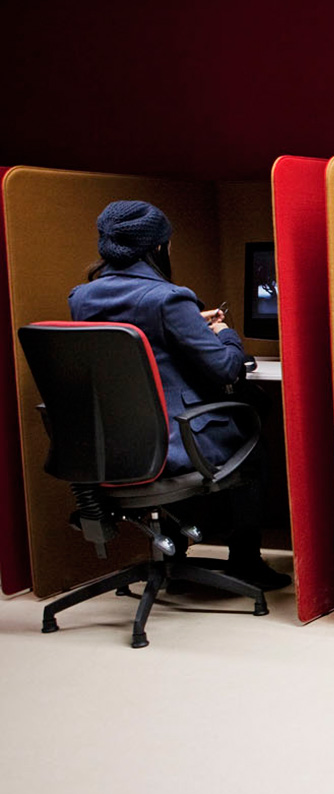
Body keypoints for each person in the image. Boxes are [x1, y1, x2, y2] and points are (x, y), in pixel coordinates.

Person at [67, 200, 291, 590]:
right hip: (173, 443)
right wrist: (224, 334)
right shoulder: (169, 298)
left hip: (111, 446)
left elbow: (133, 340)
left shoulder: (82, 298)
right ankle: (245, 560)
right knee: (252, 436)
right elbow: (226, 369)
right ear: (157, 247)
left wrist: (188, 325)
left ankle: (175, 557)